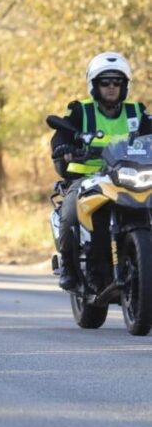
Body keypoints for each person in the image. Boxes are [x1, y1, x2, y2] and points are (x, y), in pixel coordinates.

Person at [51, 52, 152, 290]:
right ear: (94, 85)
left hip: (128, 175)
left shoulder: (136, 112)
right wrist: (64, 146)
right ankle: (68, 264)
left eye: (117, 82)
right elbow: (62, 133)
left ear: (124, 85)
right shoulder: (81, 111)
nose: (111, 87)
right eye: (105, 82)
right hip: (86, 177)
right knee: (69, 213)